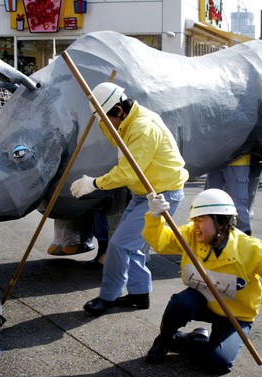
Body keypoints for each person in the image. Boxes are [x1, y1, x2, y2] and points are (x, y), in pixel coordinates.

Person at [141, 188, 262, 374]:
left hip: (235, 314)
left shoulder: (252, 249)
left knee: (218, 364)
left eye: (201, 219)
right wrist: (154, 218)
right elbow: (160, 242)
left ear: (221, 222)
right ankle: (165, 340)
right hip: (202, 302)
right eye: (194, 220)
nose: (195, 225)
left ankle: (193, 340)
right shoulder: (190, 235)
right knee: (180, 304)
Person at [70, 82, 189, 316]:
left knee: (120, 244)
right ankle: (139, 294)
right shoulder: (126, 119)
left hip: (160, 196)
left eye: (106, 119)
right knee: (134, 247)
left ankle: (108, 296)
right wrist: (98, 112)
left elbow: (129, 172)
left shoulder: (142, 127)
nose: (104, 125)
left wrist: (93, 184)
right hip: (145, 192)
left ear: (119, 111)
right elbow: (115, 139)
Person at [204, 153, 252, 235]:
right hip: (216, 160)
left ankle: (243, 236)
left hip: (237, 160)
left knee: (238, 205)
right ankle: (211, 234)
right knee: (210, 202)